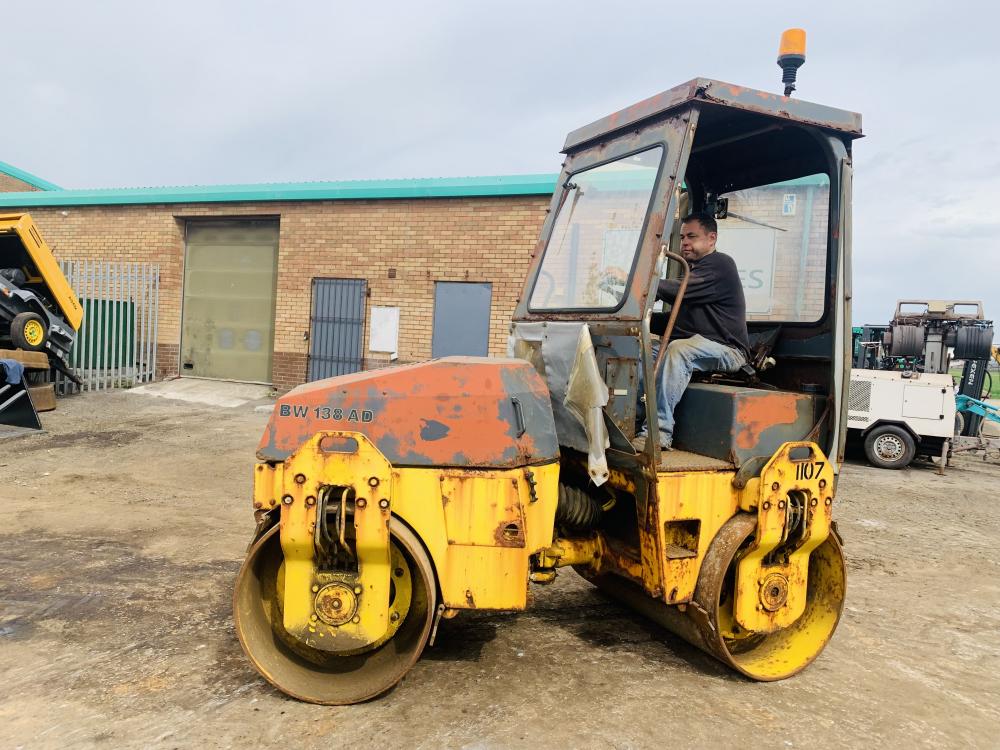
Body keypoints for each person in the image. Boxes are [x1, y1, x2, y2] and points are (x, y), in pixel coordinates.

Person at [640, 211, 750, 449]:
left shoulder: (720, 265)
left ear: (711, 239)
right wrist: (642, 320)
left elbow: (681, 290)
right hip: (699, 344)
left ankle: (657, 434)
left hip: (728, 350)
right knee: (639, 351)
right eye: (682, 237)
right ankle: (634, 417)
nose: (685, 242)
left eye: (692, 236)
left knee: (679, 349)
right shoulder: (693, 270)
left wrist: (641, 284)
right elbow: (678, 321)